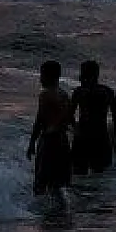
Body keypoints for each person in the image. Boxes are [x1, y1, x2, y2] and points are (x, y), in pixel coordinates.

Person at [27, 59, 73, 208]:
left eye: (42, 75)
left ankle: (38, 211)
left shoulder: (45, 94)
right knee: (57, 183)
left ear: (47, 76)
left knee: (40, 181)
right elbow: (70, 119)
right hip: (62, 140)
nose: (40, 79)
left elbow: (40, 120)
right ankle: (62, 209)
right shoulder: (64, 94)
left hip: (49, 140)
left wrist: (32, 143)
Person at [70, 60, 116, 175]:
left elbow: (69, 115)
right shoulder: (107, 92)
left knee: (79, 173)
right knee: (99, 175)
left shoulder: (79, 92)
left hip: (82, 137)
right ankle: (95, 193)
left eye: (82, 73)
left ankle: (81, 193)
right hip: (101, 137)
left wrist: (75, 129)